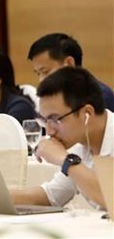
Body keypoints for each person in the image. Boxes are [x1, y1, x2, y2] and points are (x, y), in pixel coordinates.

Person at [11, 66, 112, 209]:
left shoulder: (73, 154)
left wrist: (66, 160)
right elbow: (50, 195)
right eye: (45, 121)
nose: (50, 131)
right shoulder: (79, 144)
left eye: (55, 119)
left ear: (87, 113)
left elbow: (111, 200)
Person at [28, 32, 114, 111]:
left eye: (45, 71)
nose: (41, 80)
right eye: (38, 73)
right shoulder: (52, 98)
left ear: (69, 63)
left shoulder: (98, 96)